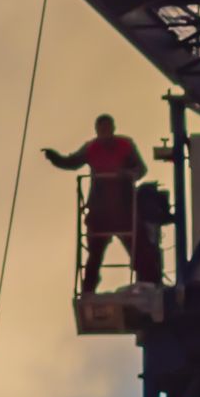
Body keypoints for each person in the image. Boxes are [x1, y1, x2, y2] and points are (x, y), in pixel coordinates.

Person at [44, 115, 148, 294]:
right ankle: (89, 288)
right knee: (95, 252)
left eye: (108, 128)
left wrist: (126, 174)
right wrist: (55, 158)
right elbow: (72, 162)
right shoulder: (91, 148)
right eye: (102, 129)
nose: (105, 132)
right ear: (97, 130)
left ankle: (146, 281)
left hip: (124, 207)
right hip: (100, 210)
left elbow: (141, 169)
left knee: (138, 246)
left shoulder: (125, 145)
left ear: (113, 128)